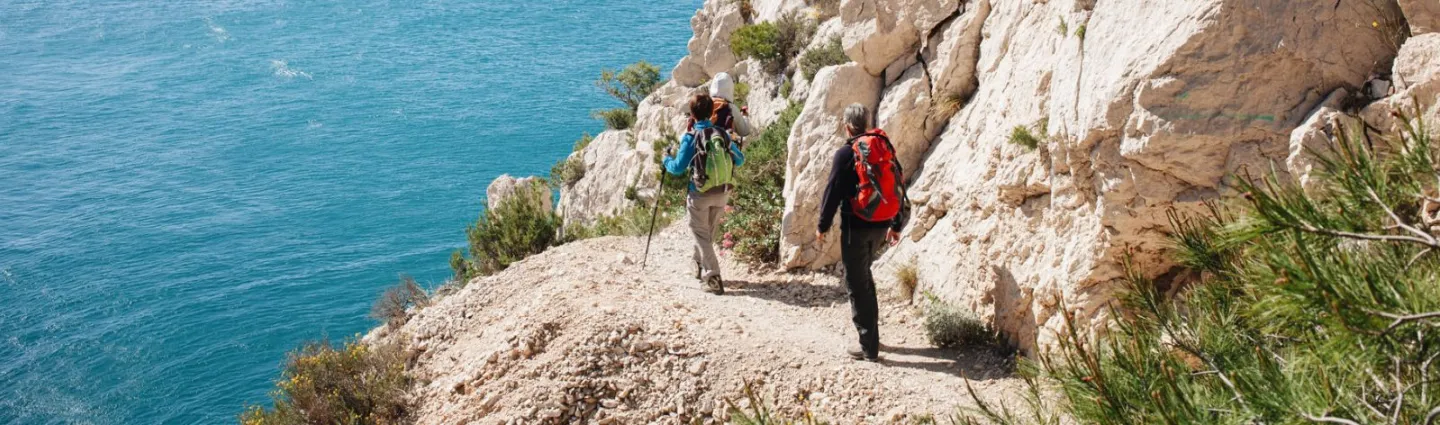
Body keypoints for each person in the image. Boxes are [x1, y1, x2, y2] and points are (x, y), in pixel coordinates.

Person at [816, 103, 907, 362]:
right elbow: (898, 183)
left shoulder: (845, 154)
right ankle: (873, 335)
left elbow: (832, 192)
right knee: (865, 276)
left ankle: (868, 347)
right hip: (882, 224)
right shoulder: (882, 145)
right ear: (866, 123)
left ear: (846, 126)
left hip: (855, 226)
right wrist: (897, 223)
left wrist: (822, 226)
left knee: (857, 283)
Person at [664, 94, 746, 295]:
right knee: (707, 232)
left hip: (699, 193)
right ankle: (697, 264)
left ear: (692, 115)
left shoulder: (691, 137)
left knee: (700, 233)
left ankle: (713, 276)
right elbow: (740, 159)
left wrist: (665, 159)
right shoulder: (722, 134)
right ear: (712, 113)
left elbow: (677, 168)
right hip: (723, 191)